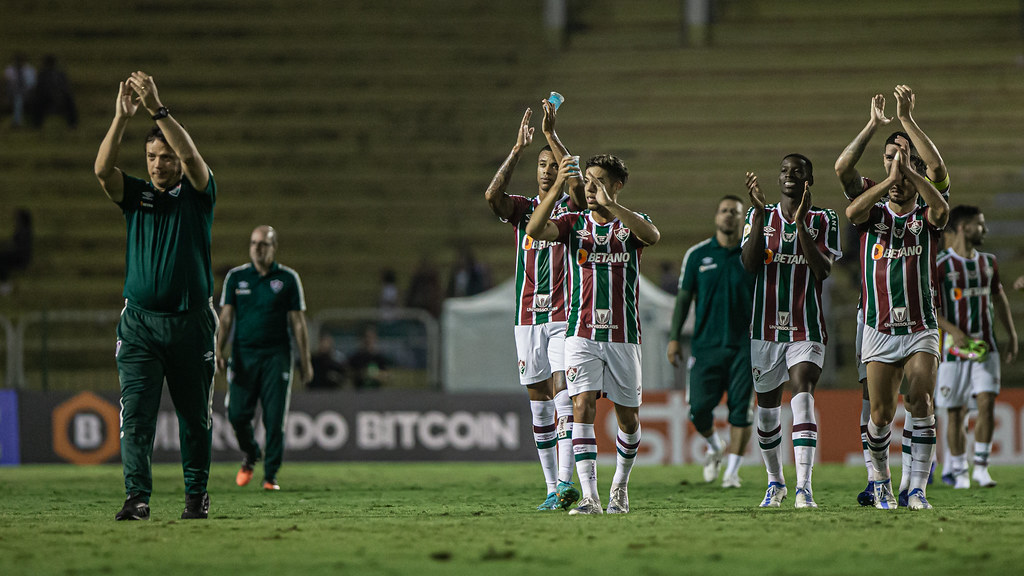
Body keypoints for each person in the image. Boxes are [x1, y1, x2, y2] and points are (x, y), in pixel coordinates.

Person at [95, 71, 217, 521]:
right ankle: (136, 498)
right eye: (151, 157)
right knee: (137, 417)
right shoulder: (137, 195)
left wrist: (157, 109)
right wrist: (120, 119)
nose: (157, 165)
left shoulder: (199, 194)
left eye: (165, 158)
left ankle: (195, 496)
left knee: (195, 420)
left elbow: (192, 155)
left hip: (191, 324)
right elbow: (102, 170)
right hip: (141, 324)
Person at [526, 153, 661, 515]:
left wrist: (613, 207)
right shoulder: (573, 223)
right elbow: (535, 230)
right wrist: (557, 188)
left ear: (616, 186)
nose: (589, 187)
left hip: (623, 335)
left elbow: (653, 235)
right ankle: (590, 496)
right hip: (580, 333)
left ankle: (620, 486)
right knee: (581, 405)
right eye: (587, 180)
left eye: (598, 181)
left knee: (628, 418)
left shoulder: (631, 225)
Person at [834, 86, 950, 506]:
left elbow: (940, 195)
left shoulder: (928, 205)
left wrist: (906, 123)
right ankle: (880, 480)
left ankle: (916, 488)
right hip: (878, 325)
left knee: (920, 398)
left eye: (901, 158)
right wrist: (873, 128)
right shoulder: (872, 201)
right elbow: (843, 175)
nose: (894, 165)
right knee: (880, 415)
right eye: (887, 158)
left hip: (921, 325)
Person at [484, 100, 584, 511]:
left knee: (563, 393)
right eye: (540, 164)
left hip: (564, 313)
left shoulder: (573, 209)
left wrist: (551, 135)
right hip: (527, 316)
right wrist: (517, 150)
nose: (546, 168)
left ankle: (565, 484)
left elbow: (576, 187)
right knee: (538, 398)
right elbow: (493, 197)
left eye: (551, 164)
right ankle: (549, 488)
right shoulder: (524, 209)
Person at [742, 155, 842, 509]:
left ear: (808, 180)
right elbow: (749, 264)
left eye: (797, 172)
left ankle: (804, 488)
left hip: (806, 327)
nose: (789, 176)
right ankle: (775, 483)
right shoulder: (760, 216)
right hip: (765, 329)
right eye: (784, 171)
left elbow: (823, 270)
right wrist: (756, 217)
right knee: (767, 412)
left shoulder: (824, 219)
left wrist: (800, 225)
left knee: (802, 396)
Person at [666, 195, 755, 488]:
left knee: (741, 411)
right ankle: (716, 447)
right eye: (724, 211)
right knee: (699, 409)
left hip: (745, 346)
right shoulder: (698, 255)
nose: (729, 215)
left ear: (743, 219)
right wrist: (674, 338)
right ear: (716, 216)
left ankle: (732, 472)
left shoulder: (751, 255)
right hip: (706, 346)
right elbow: (683, 298)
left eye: (735, 212)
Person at [218, 225, 313, 491]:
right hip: (243, 356)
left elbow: (298, 323)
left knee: (274, 419)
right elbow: (226, 318)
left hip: (276, 357)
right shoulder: (236, 278)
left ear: (274, 248)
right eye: (253, 243)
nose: (257, 249)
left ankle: (270, 476)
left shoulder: (288, 278)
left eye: (263, 244)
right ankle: (251, 452)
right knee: (236, 415)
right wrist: (217, 350)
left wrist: (305, 361)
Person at [934, 205, 1018, 488]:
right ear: (963, 227)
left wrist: (1012, 335)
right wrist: (953, 331)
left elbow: (1000, 300)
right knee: (955, 412)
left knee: (986, 403)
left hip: (986, 346)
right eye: (980, 225)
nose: (985, 230)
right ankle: (958, 471)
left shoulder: (989, 262)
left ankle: (981, 468)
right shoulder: (940, 264)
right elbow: (929, 308)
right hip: (953, 351)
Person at [30, 54, 77, 129]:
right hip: (46, 97)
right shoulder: (42, 74)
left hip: (59, 96)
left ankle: (72, 123)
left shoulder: (60, 74)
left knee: (69, 101)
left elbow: (65, 86)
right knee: (38, 102)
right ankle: (37, 124)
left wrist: (59, 94)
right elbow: (39, 88)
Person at [347, 324, 392, 389]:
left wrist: (375, 375)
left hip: (375, 394)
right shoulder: (355, 357)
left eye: (371, 337)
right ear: (362, 339)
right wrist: (361, 374)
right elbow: (348, 374)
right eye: (366, 337)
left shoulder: (379, 357)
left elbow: (387, 376)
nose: (368, 340)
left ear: (375, 339)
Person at [0, 208, 32, 296]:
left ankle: (5, 285)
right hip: (19, 255)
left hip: (20, 257)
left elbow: (18, 246)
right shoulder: (24, 230)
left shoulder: (24, 231)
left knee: (1, 260)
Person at [3, 53, 35, 127]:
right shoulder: (9, 70)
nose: (19, 62)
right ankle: (17, 122)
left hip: (27, 92)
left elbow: (32, 84)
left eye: (21, 61)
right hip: (12, 93)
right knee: (18, 98)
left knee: (18, 98)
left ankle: (17, 122)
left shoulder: (29, 70)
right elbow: (6, 83)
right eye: (17, 60)